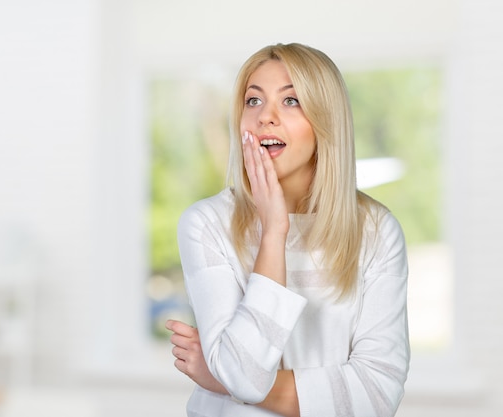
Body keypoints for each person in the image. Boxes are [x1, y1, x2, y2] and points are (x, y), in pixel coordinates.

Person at [165, 42, 409, 417]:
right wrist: (273, 231)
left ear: (325, 120)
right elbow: (243, 377)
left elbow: (376, 395)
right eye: (253, 101)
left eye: (291, 101)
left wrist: (225, 378)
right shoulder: (206, 224)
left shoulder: (376, 231)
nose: (266, 117)